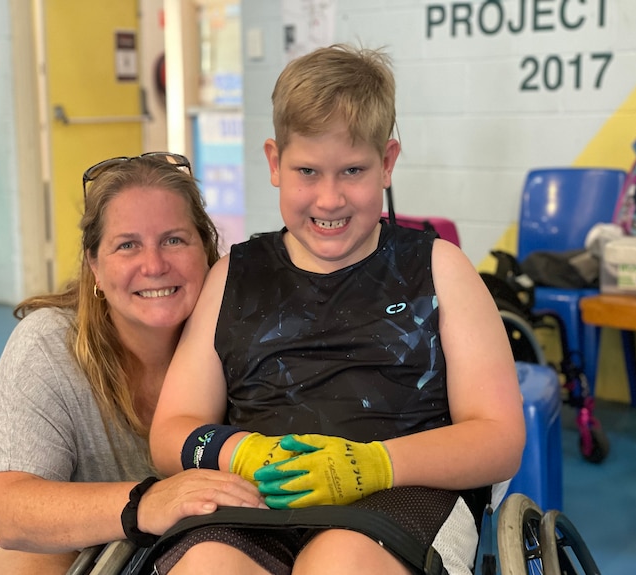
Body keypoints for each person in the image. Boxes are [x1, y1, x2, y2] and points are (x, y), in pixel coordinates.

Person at [149, 44, 526, 575]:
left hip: (403, 492)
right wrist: (241, 453)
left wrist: (375, 464)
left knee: (339, 565)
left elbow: (499, 438)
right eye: (307, 171)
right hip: (256, 497)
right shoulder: (232, 275)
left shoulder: (441, 269)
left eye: (352, 170)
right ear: (274, 163)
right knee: (206, 565)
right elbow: (171, 432)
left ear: (387, 163)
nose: (329, 199)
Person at [0, 153, 266, 575]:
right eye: (127, 245)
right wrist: (147, 503)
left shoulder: (248, 336)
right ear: (94, 265)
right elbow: (9, 510)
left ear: (207, 251)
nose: (154, 265)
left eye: (174, 240)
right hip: (85, 532)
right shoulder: (49, 345)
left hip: (210, 538)